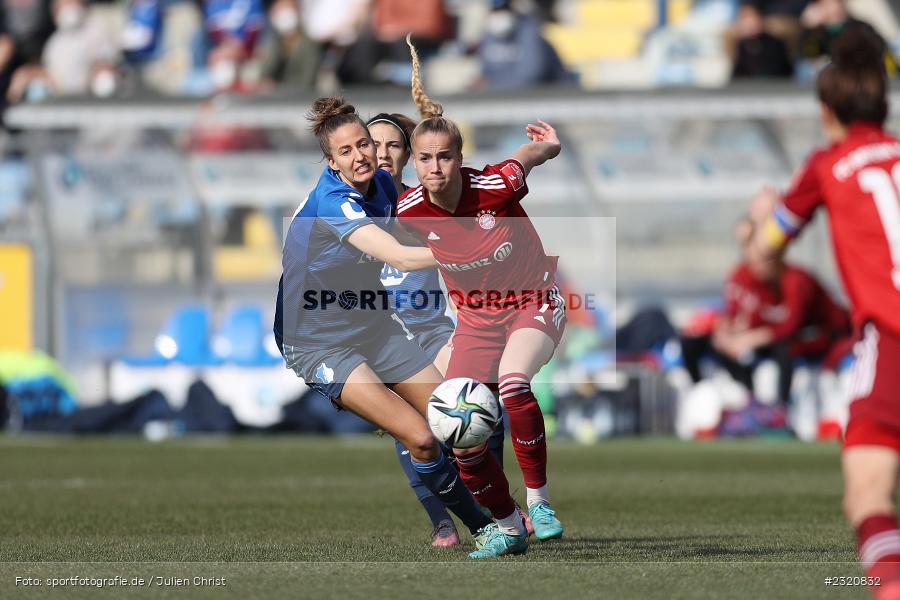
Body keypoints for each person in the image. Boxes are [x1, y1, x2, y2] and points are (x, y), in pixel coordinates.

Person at [274, 96, 498, 557]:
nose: (360, 156)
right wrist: (469, 251)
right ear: (330, 161)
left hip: (373, 325)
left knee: (454, 413)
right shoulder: (333, 202)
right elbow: (396, 254)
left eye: (364, 145)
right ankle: (485, 527)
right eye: (345, 152)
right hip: (317, 344)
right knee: (418, 435)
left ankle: (506, 514)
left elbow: (432, 213)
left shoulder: (380, 184)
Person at [395, 37, 567, 558]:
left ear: (459, 158)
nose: (435, 168)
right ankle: (509, 525)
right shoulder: (408, 209)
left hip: (533, 301)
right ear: (416, 163)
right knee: (456, 429)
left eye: (444, 157)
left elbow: (527, 155)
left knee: (513, 386)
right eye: (424, 159)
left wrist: (550, 145)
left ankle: (538, 502)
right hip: (475, 321)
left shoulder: (494, 185)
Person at [753, 25, 900, 599]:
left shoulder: (825, 165)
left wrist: (768, 213)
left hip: (890, 337)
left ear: (826, 110)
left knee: (866, 494)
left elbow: (767, 250)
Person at [367, 111, 514, 548]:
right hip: (383, 338)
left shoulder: (423, 202)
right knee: (414, 429)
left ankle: (496, 503)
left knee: (480, 404)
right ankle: (443, 522)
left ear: (408, 156)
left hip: (432, 329)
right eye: (373, 145)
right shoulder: (348, 208)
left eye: (394, 145)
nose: (382, 153)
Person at [682, 216, 852, 405]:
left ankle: (781, 409)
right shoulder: (745, 276)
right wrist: (728, 331)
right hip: (780, 336)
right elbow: (745, 315)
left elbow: (788, 326)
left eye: (766, 257)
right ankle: (742, 398)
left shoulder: (796, 281)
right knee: (705, 341)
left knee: (784, 348)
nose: (758, 263)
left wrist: (747, 338)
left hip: (826, 334)